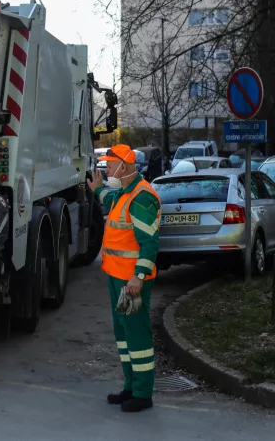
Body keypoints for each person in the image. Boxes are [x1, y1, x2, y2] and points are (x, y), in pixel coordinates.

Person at [87, 144, 161, 413]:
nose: (106, 169)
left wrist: (138, 278)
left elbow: (149, 244)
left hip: (131, 280)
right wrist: (97, 190)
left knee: (137, 335)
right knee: (124, 332)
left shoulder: (142, 198)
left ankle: (143, 393)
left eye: (109, 164)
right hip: (118, 276)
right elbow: (110, 199)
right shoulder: (125, 194)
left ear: (125, 167)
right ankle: (131, 386)